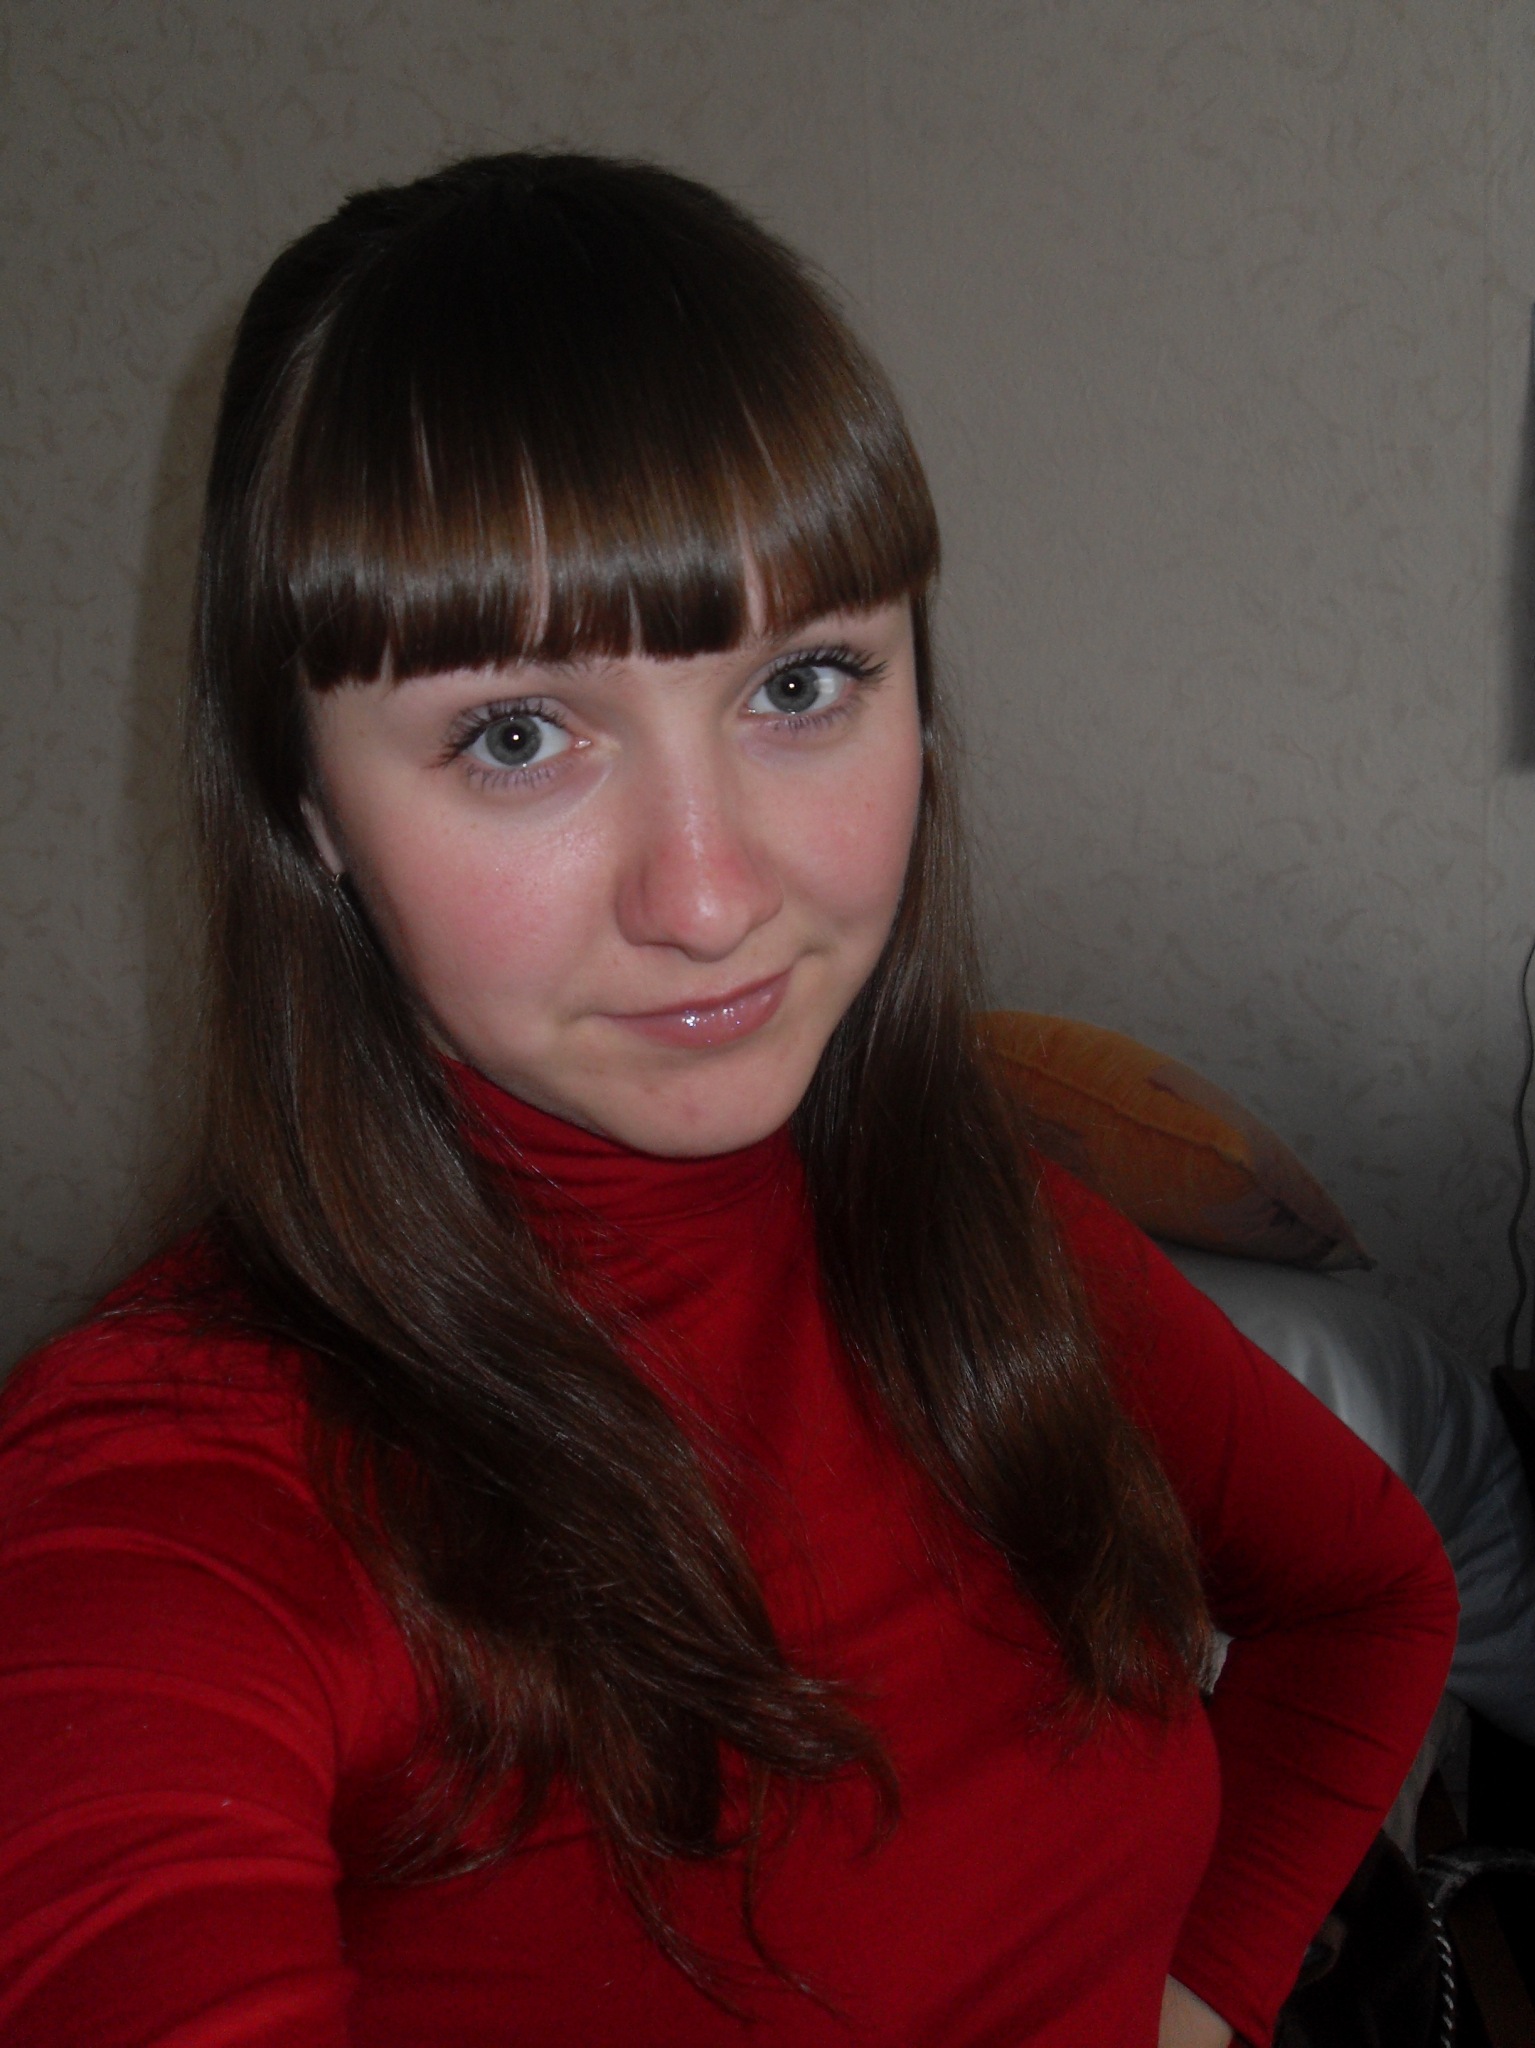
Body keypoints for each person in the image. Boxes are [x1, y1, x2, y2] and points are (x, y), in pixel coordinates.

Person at [0, 153, 1456, 2048]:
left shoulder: (976, 1235)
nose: (709, 896)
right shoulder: (177, 1491)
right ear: (306, 805)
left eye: (802, 684)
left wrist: (1206, 1998)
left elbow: (1372, 1598)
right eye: (515, 733)